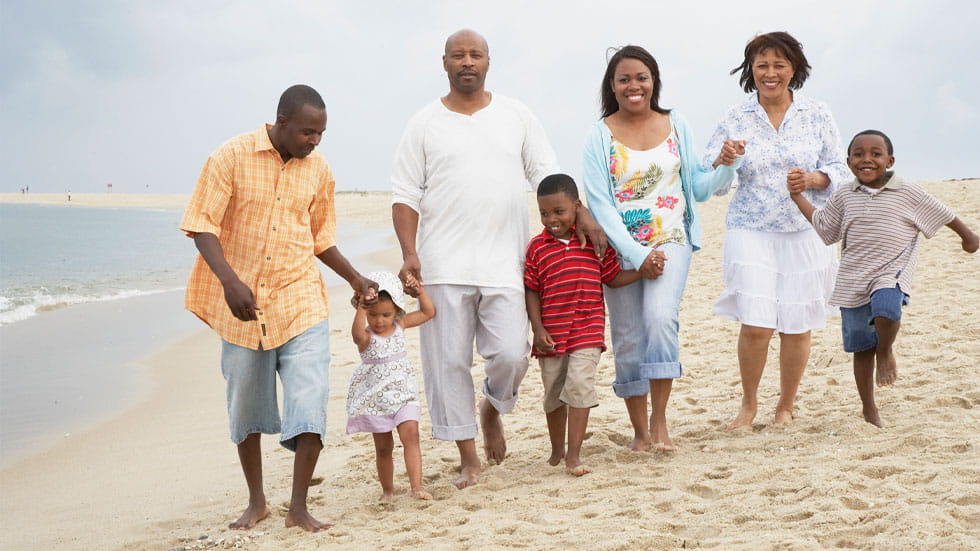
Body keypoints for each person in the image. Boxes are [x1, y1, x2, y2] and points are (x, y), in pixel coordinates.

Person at [391, 29, 606, 489]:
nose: (467, 61)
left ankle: (492, 407)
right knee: (447, 365)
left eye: (476, 55)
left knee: (512, 354)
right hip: (442, 264)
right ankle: (469, 458)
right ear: (444, 62)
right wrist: (410, 253)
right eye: (458, 55)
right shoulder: (423, 123)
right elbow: (405, 194)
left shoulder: (516, 115)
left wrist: (582, 211)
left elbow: (548, 175)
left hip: (505, 262)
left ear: (488, 61)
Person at [180, 84, 377, 532]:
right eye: (308, 132)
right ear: (281, 122)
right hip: (243, 306)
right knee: (245, 405)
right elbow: (201, 224)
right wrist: (230, 281)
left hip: (300, 298)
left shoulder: (319, 170)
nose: (315, 141)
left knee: (309, 401)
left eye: (322, 134)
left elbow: (321, 237)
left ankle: (299, 508)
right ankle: (257, 502)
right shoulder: (229, 157)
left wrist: (355, 277)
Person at [583, 45, 741, 452]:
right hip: (621, 251)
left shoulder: (676, 125)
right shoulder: (599, 136)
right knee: (629, 336)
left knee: (658, 319)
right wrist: (637, 256)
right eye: (624, 79)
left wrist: (726, 164)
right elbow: (600, 205)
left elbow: (699, 189)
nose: (634, 86)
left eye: (642, 77)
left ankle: (660, 423)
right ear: (613, 87)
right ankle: (639, 431)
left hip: (671, 240)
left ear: (654, 82)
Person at [705, 31, 851, 429]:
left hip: (806, 229)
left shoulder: (817, 112)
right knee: (756, 323)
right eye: (762, 65)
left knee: (796, 322)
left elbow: (841, 168)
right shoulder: (735, 117)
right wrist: (724, 160)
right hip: (750, 228)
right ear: (751, 70)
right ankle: (748, 405)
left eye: (779, 65)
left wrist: (816, 179)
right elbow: (710, 182)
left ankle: (785, 406)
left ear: (794, 70)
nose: (770, 73)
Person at [788, 130, 979, 427]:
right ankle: (869, 408)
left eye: (876, 154)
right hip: (852, 279)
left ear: (889, 160)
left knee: (887, 308)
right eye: (859, 154)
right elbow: (825, 229)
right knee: (861, 348)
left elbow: (942, 213)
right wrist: (797, 196)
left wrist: (968, 237)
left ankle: (886, 351)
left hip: (891, 270)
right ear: (849, 162)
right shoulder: (843, 195)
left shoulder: (907, 191)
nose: (867, 159)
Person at [525, 174, 640, 475]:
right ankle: (556, 450)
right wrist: (537, 329)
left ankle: (574, 455)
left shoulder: (594, 243)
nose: (551, 219)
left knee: (578, 387)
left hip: (587, 332)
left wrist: (643, 272)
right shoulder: (537, 248)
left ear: (577, 207)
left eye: (559, 211)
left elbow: (613, 278)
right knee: (553, 394)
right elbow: (532, 290)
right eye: (544, 213)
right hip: (551, 335)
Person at [346, 271, 435, 500]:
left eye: (386, 314)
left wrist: (420, 291)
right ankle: (388, 490)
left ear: (396, 311)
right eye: (373, 315)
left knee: (411, 435)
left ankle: (417, 487)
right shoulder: (366, 337)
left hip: (404, 395)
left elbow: (428, 312)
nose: (379, 320)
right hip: (377, 400)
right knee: (384, 448)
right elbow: (356, 335)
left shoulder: (400, 325)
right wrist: (361, 306)